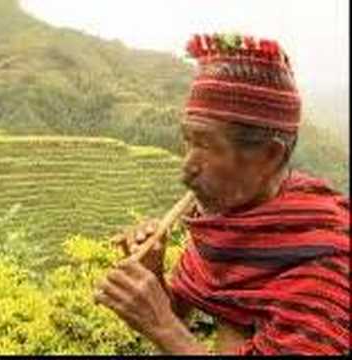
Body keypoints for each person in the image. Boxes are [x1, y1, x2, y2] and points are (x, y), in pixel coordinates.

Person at [94, 33, 350, 355]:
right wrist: (154, 276)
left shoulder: (325, 263)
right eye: (187, 140)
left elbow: (173, 330)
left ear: (269, 156)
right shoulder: (226, 221)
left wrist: (163, 327)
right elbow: (179, 317)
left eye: (205, 144)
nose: (187, 166)